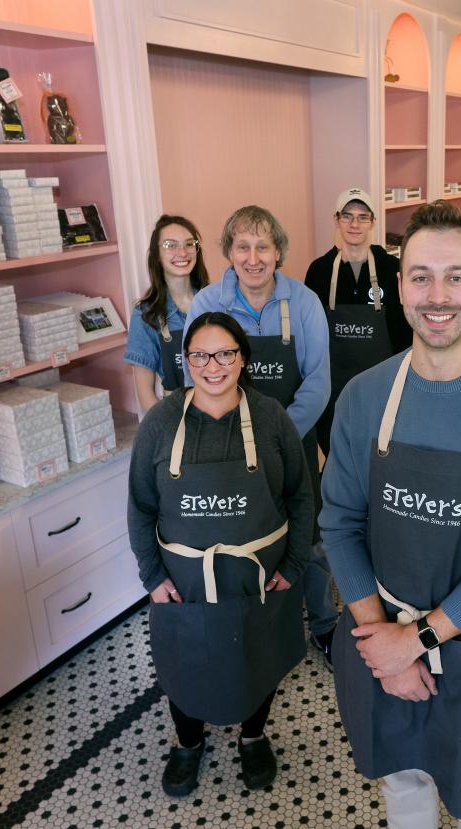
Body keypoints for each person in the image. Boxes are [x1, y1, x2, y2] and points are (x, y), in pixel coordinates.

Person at [320, 200, 461, 827]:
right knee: (405, 788)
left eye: (456, 276)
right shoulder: (364, 398)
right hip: (381, 637)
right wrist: (380, 643)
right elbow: (339, 524)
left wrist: (415, 642)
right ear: (399, 287)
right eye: (420, 275)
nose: (437, 294)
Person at [127, 311, 313, 797]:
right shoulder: (161, 422)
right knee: (186, 664)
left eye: (225, 353)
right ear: (185, 362)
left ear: (242, 358)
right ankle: (188, 744)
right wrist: (151, 575)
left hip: (258, 578)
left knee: (258, 657)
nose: (213, 365)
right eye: (200, 355)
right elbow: (140, 505)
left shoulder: (271, 417)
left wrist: (293, 565)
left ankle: (253, 738)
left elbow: (301, 496)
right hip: (185, 582)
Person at [186, 206, 337, 665]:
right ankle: (258, 628)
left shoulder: (304, 302)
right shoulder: (207, 304)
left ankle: (325, 623)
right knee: (245, 536)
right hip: (228, 449)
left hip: (294, 442)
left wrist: (279, 436)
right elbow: (196, 373)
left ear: (278, 253)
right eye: (243, 246)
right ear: (229, 252)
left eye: (263, 246)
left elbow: (318, 381)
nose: (253, 258)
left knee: (308, 539)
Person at [304, 187, 410, 456]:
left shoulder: (391, 268)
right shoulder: (319, 271)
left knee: (378, 455)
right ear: (336, 220)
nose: (354, 224)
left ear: (373, 222)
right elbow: (310, 336)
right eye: (347, 216)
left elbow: (404, 332)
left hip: (381, 388)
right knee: (337, 454)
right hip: (332, 391)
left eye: (363, 217)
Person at [124, 215, 208, 412]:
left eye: (189, 244)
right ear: (156, 255)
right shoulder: (146, 315)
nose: (182, 252)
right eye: (170, 245)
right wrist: (167, 433)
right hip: (178, 417)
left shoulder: (214, 302)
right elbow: (145, 392)